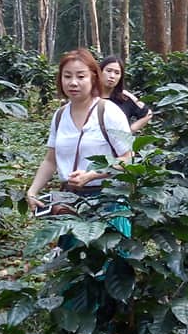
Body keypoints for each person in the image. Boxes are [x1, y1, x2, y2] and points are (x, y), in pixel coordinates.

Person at [26, 49, 133, 212]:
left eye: (81, 76)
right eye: (67, 76)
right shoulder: (60, 115)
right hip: (70, 201)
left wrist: (92, 174)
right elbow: (50, 160)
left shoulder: (109, 112)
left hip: (107, 201)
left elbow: (127, 158)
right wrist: (33, 190)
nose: (73, 82)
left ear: (93, 78)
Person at [99, 55, 153, 133]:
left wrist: (129, 130)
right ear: (100, 71)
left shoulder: (124, 97)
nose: (112, 76)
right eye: (108, 71)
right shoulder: (88, 96)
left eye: (117, 73)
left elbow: (148, 114)